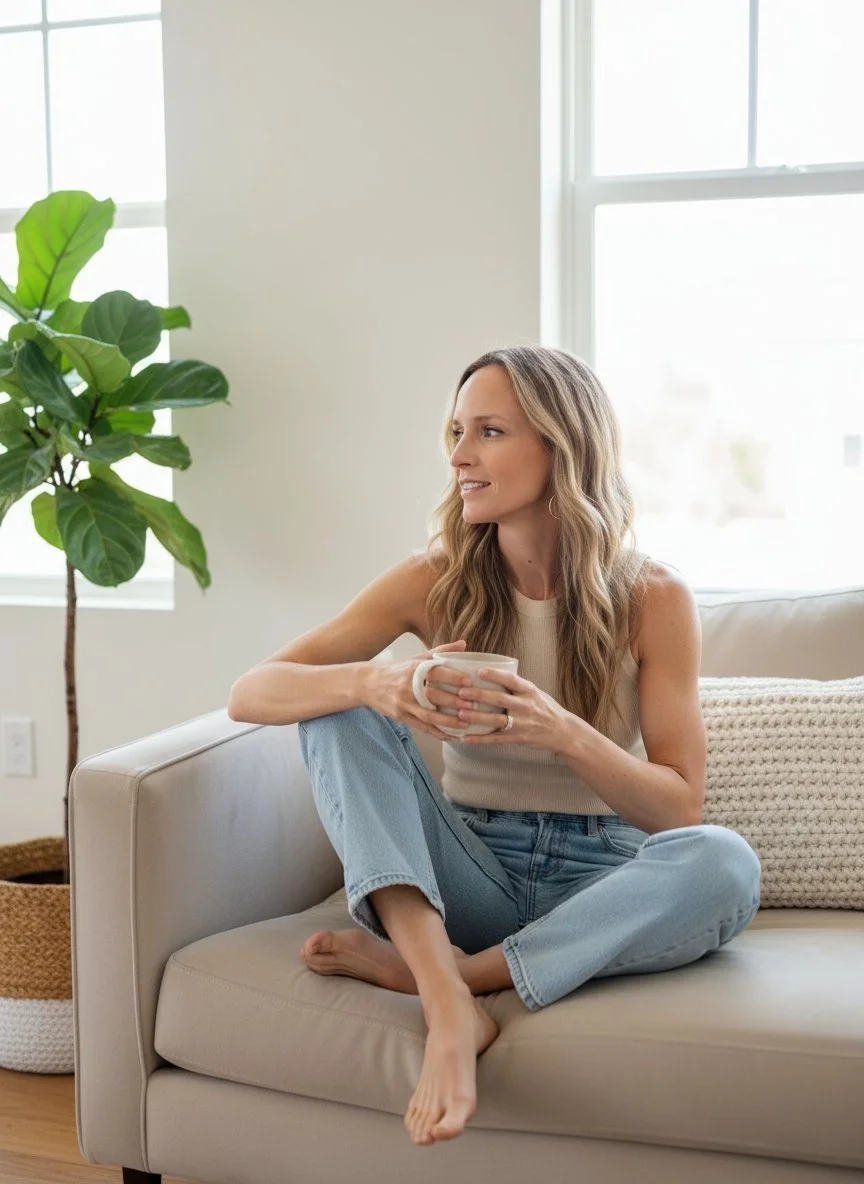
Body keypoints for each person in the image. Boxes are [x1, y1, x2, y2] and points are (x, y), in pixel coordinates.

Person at [227, 345, 762, 1150]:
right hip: (470, 867)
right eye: (455, 432)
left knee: (726, 863)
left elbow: (679, 807)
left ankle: (442, 974)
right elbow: (251, 692)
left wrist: (562, 731)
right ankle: (448, 1004)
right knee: (337, 709)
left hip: (602, 878)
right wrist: (380, 686)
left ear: (559, 445)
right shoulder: (430, 579)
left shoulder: (653, 597)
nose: (459, 456)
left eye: (488, 431)